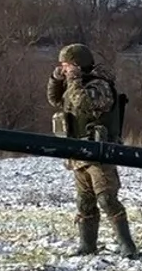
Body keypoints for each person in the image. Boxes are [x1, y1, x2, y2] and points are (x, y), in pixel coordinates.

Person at [46, 43, 137, 258]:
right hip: (78, 154)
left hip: (99, 153)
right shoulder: (73, 86)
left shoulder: (100, 85)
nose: (64, 69)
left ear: (78, 65)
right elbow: (55, 100)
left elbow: (82, 104)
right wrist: (55, 79)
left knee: (106, 198)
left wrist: (74, 80)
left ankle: (127, 245)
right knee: (84, 202)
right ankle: (87, 246)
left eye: (67, 65)